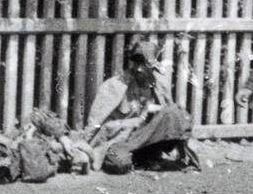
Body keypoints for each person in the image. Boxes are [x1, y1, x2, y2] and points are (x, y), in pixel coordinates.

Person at [83, 38, 200, 174]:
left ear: (154, 65)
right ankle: (140, 160)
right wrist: (143, 116)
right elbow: (99, 125)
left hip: (147, 141)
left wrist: (157, 114)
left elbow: (175, 123)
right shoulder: (114, 86)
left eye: (144, 64)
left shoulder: (159, 86)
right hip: (120, 141)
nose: (138, 68)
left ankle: (157, 158)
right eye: (136, 62)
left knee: (174, 111)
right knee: (119, 162)